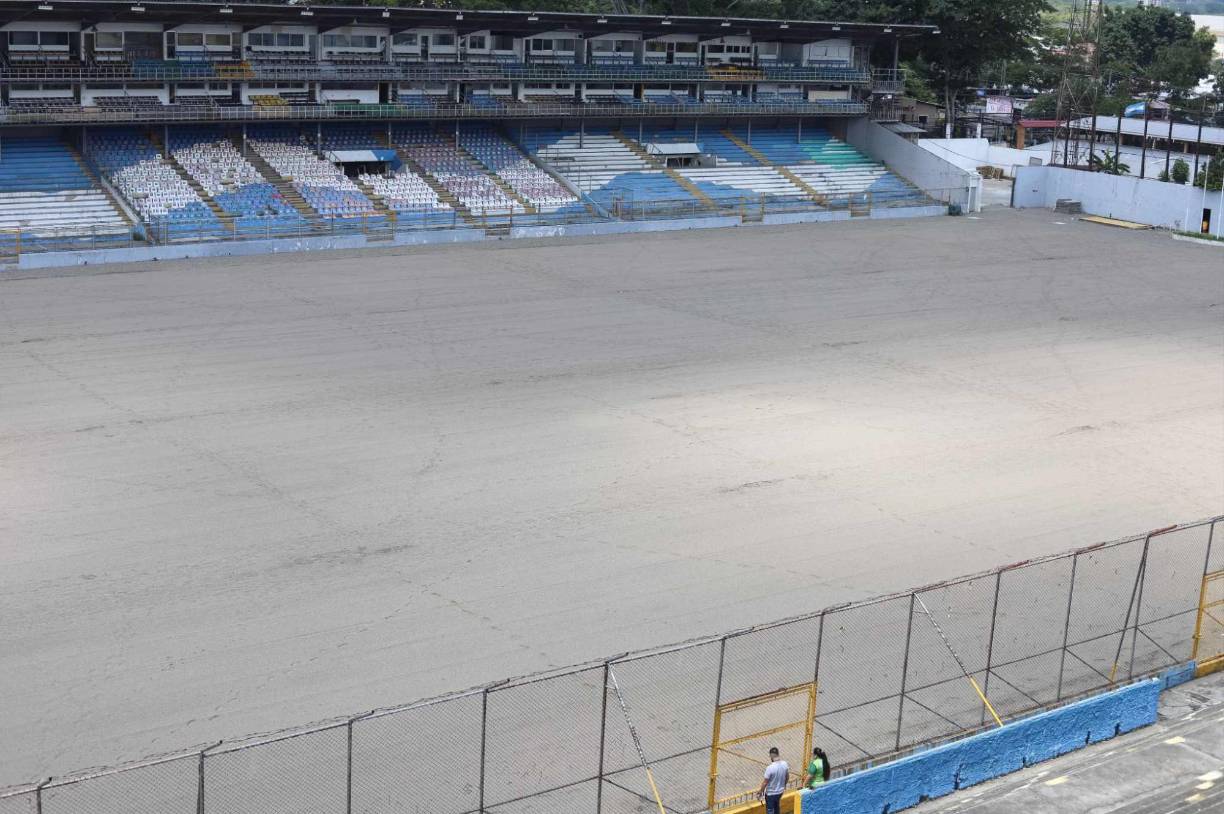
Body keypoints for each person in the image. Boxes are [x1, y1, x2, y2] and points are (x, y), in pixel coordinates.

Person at [757, 747, 788, 814]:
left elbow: (765, 782)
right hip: (780, 792)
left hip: (771, 793)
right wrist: (784, 785)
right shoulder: (785, 764)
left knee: (770, 809)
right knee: (777, 807)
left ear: (771, 755)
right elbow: (787, 777)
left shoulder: (770, 768)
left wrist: (760, 791)